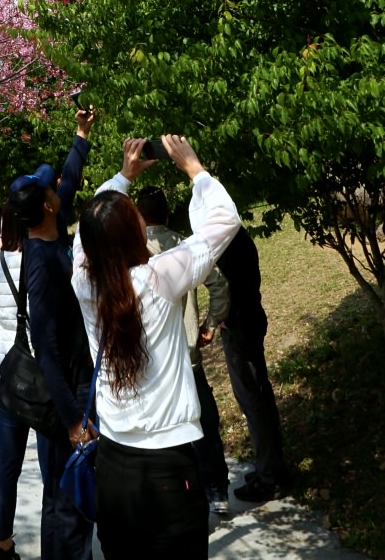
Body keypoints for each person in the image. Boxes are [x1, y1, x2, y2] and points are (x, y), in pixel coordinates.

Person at [73, 135, 241, 560]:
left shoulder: (83, 282)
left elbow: (88, 231)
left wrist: (122, 177)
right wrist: (194, 170)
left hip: (113, 466)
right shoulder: (162, 276)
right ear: (137, 231)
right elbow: (225, 220)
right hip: (170, 469)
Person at [8, 106, 95, 560]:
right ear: (45, 204)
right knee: (68, 500)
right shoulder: (41, 266)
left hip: (76, 387)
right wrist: (74, 420)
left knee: (61, 496)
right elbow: (46, 350)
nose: (58, 186)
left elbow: (70, 180)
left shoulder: (49, 229)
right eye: (50, 187)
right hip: (66, 396)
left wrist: (81, 136)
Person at [137, 184, 232, 522]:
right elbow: (220, 284)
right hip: (188, 355)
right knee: (205, 423)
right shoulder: (183, 246)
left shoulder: (132, 251)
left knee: (163, 436)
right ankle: (217, 491)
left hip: (152, 362)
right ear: (166, 213)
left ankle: (174, 501)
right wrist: (209, 324)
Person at [217, 224, 287, 502]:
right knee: (261, 396)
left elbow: (228, 287)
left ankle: (268, 477)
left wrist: (221, 317)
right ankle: (273, 469)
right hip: (250, 320)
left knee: (253, 401)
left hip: (240, 327)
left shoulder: (229, 242)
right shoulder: (239, 236)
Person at [0, 201, 29, 560]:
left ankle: (4, 543)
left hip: (2, 366)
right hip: (37, 373)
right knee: (53, 459)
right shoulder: (38, 259)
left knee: (7, 459)